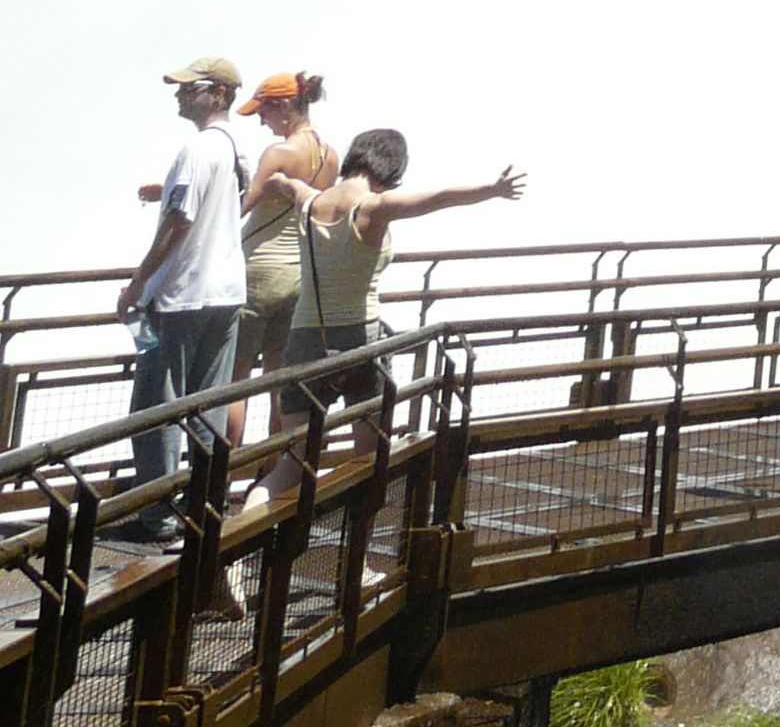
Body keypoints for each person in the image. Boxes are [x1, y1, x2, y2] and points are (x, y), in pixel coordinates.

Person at [257, 130, 522, 496]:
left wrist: (274, 179)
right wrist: (491, 190)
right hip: (359, 343)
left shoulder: (308, 201)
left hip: (304, 341)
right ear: (391, 168)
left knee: (293, 464)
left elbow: (283, 183)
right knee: (368, 458)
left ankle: (233, 543)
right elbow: (439, 198)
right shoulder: (373, 208)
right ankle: (356, 543)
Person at [115, 57, 250, 544]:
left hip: (180, 296)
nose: (179, 95)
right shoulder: (236, 147)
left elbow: (180, 221)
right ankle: (205, 506)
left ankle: (159, 518)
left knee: (158, 410)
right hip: (226, 293)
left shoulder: (197, 148)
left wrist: (137, 284)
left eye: (189, 88)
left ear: (216, 93)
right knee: (208, 407)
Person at [229, 73, 336, 443]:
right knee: (278, 378)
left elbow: (241, 207)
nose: (261, 120)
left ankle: (218, 479)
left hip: (258, 272)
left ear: (285, 106)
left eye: (264, 110)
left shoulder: (278, 154)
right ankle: (274, 465)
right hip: (297, 276)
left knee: (234, 381)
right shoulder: (330, 155)